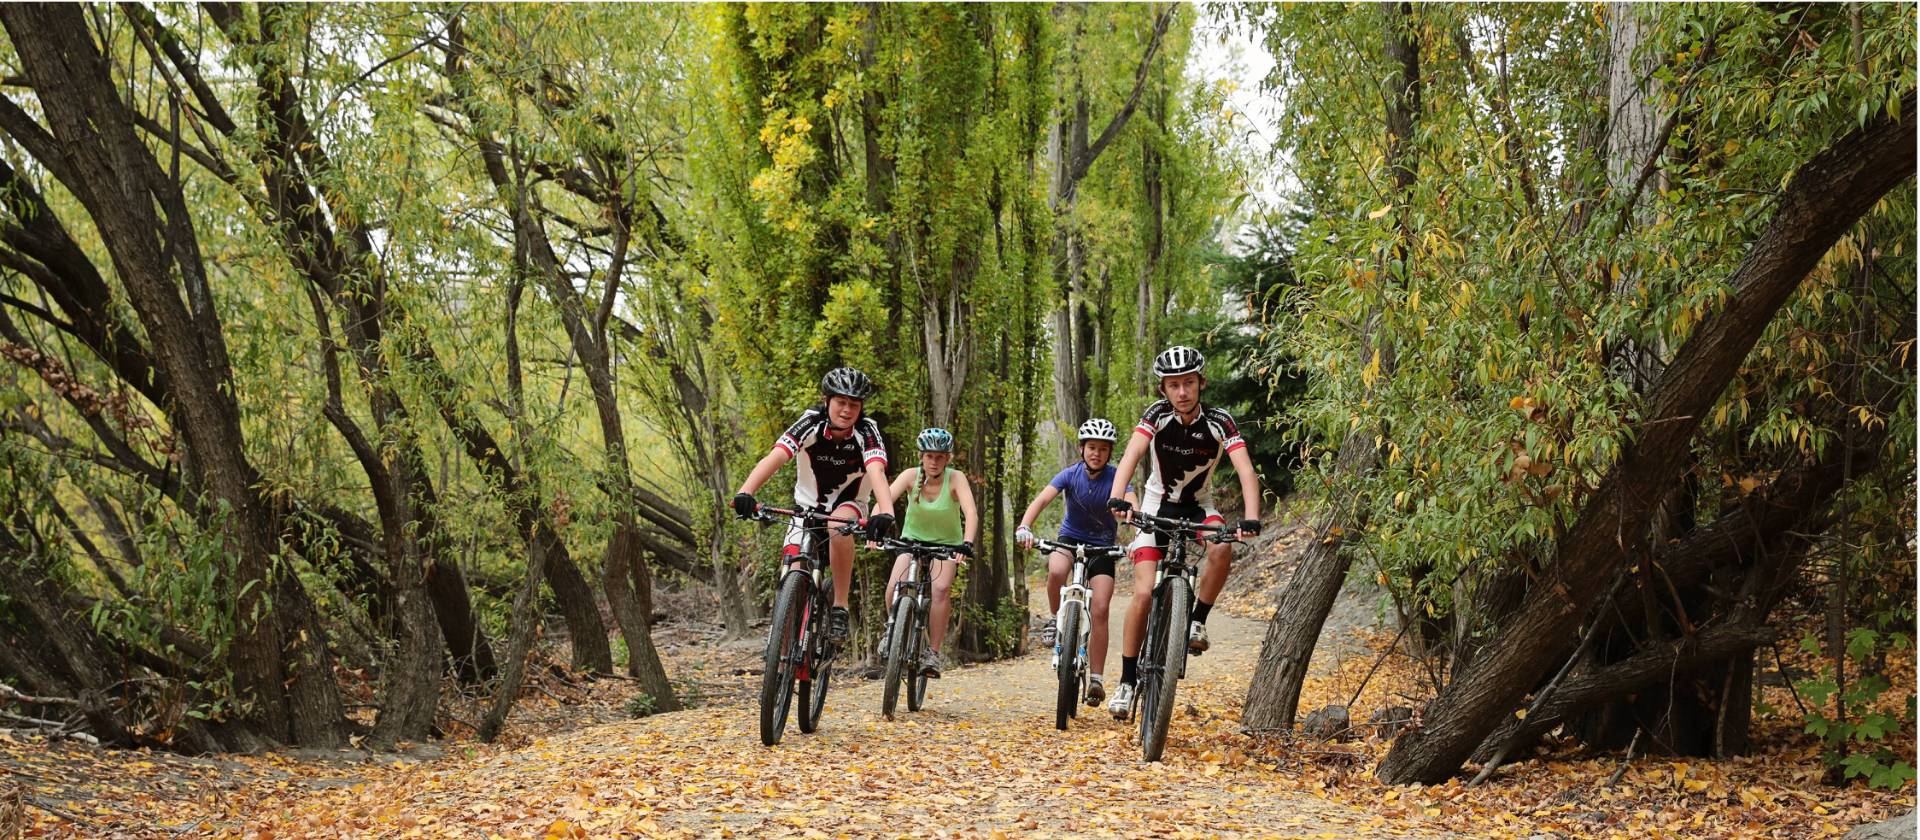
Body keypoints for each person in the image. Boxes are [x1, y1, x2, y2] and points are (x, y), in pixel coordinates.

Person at [1103, 346, 1262, 719]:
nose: (1182, 392)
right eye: (1173, 386)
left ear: (1201, 383)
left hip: (1199, 507)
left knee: (1222, 546)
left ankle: (1197, 621)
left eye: (1188, 383)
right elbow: (1130, 456)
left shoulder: (1220, 421)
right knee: (1142, 592)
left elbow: (1245, 469)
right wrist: (1118, 499)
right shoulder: (1156, 415)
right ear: (1164, 390)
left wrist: (1251, 517)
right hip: (1156, 506)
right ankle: (1126, 682)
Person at [733, 367, 896, 642]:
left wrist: (886, 512)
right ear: (826, 401)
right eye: (840, 402)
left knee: (836, 525)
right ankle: (782, 648)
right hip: (806, 508)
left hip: (849, 505)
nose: (846, 410)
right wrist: (746, 492)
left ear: (861, 408)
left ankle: (840, 606)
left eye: (853, 404)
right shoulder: (810, 423)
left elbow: (877, 471)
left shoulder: (867, 431)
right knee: (794, 569)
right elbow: (777, 456)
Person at [1014, 418, 1135, 706]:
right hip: (1070, 538)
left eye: (1103, 449)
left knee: (1102, 608)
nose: (1097, 453)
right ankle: (1057, 619)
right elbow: (1042, 500)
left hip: (1103, 546)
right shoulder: (1070, 475)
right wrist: (1024, 526)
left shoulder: (1117, 478)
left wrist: (1138, 535)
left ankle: (1096, 679)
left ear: (1109, 453)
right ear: (1082, 449)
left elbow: (1132, 503)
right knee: (1056, 570)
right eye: (1092, 447)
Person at [876, 428, 977, 678]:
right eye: (929, 456)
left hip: (947, 545)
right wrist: (873, 527)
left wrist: (966, 543)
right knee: (894, 586)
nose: (934, 461)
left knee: (940, 589)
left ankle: (932, 652)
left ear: (947, 459)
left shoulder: (956, 479)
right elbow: (884, 500)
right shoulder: (911, 476)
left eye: (940, 457)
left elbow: (971, 513)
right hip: (912, 541)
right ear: (921, 456)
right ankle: (892, 630)